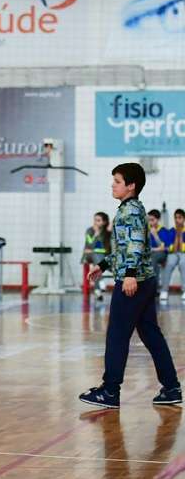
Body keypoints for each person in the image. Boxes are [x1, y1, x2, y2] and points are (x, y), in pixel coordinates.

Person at [80, 163, 181, 409]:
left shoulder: (131, 211)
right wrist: (103, 265)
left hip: (134, 282)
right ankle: (171, 388)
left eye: (117, 181)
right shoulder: (129, 209)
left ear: (131, 185)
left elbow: (135, 246)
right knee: (151, 334)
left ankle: (110, 391)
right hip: (143, 281)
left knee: (117, 334)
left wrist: (130, 275)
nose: (112, 185)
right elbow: (123, 249)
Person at [83, 211, 112, 301]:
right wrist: (96, 235)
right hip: (89, 255)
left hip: (103, 257)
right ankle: (101, 281)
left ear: (104, 222)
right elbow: (89, 246)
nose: (96, 222)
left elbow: (108, 248)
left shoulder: (106, 232)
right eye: (95, 220)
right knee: (96, 255)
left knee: (99, 261)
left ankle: (97, 290)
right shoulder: (90, 230)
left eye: (98, 220)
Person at [160, 208, 185, 303]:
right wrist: (177, 234)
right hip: (173, 253)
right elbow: (172, 248)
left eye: (179, 218)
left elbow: (182, 248)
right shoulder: (171, 231)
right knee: (169, 264)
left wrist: (181, 234)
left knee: (183, 264)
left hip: (183, 254)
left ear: (184, 219)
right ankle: (164, 290)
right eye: (175, 218)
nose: (177, 220)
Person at [147, 209, 168, 300]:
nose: (150, 222)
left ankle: (153, 289)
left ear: (158, 219)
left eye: (152, 220)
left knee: (153, 259)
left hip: (161, 254)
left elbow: (163, 247)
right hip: (150, 253)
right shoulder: (146, 229)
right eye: (149, 220)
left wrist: (155, 235)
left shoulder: (162, 230)